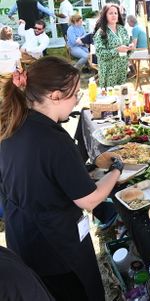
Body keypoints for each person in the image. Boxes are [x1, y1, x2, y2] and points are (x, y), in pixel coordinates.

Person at [0, 57, 123, 300]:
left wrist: (91, 165)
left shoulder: (13, 123)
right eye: (75, 94)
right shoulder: (54, 140)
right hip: (57, 247)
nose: (77, 99)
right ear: (55, 96)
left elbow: (46, 176)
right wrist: (117, 169)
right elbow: (90, 200)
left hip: (24, 238)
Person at [94, 4, 133, 88]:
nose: (114, 15)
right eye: (110, 13)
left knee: (121, 95)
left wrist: (130, 48)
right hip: (108, 70)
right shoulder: (101, 33)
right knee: (110, 97)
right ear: (105, 15)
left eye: (116, 13)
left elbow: (127, 49)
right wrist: (117, 50)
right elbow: (100, 54)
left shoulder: (122, 29)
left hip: (122, 68)